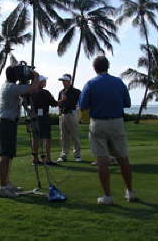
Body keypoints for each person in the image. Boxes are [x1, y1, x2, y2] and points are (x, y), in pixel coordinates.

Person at [79, 55, 136, 205]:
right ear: (108, 66)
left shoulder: (91, 83)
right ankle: (130, 192)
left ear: (94, 68)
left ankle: (107, 196)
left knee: (102, 160)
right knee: (123, 157)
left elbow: (83, 105)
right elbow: (127, 103)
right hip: (117, 122)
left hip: (98, 123)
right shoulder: (118, 82)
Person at [0, 65, 40, 198]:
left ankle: (6, 183)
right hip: (6, 123)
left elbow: (26, 93)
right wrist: (35, 75)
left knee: (8, 155)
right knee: (4, 156)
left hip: (8, 123)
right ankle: (3, 188)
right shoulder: (11, 87)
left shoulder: (9, 86)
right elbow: (34, 88)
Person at [30, 75, 63, 166]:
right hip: (43, 118)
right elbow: (54, 104)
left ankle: (35, 159)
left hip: (34, 117)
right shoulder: (45, 93)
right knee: (47, 138)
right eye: (44, 81)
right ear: (40, 82)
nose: (45, 82)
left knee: (35, 138)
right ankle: (48, 159)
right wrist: (62, 100)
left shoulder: (31, 92)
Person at [56, 74, 82, 162]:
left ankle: (77, 155)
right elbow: (59, 104)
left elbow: (80, 102)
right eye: (62, 81)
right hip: (63, 114)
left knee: (74, 135)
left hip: (72, 113)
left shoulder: (76, 91)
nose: (63, 83)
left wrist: (68, 97)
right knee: (63, 136)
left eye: (64, 81)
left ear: (69, 81)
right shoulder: (61, 92)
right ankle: (64, 154)